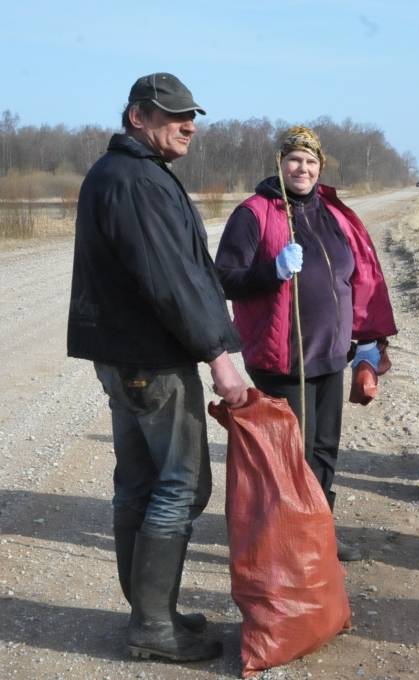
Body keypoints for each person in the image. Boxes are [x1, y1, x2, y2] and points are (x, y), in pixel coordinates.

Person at [67, 72, 246, 662]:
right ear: (137, 118)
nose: (188, 124)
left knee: (139, 485)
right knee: (179, 486)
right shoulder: (137, 180)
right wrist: (219, 353)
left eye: (191, 114)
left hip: (126, 357)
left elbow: (179, 272)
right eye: (173, 115)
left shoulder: (123, 174)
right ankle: (152, 626)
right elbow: (170, 281)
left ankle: (154, 613)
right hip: (151, 360)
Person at [215, 126, 397, 562]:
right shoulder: (255, 213)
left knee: (323, 451)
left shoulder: (331, 215)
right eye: (295, 159)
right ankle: (287, 544)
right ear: (280, 163)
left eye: (311, 161)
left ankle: (318, 536)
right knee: (288, 458)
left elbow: (359, 277)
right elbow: (223, 277)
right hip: (282, 359)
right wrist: (270, 271)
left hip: (330, 355)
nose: (303, 168)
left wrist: (369, 341)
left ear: (321, 168)